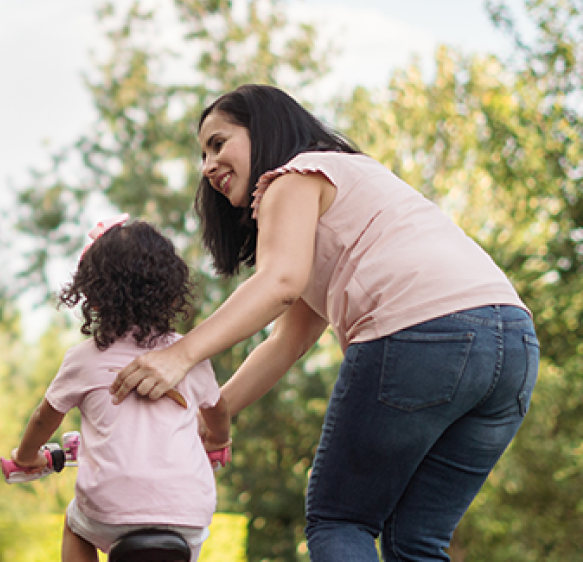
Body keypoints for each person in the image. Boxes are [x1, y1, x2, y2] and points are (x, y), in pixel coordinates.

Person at [109, 84, 539, 560]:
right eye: (203, 154)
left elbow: (279, 283)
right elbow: (285, 342)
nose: (207, 165)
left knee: (341, 521)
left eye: (218, 143)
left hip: (421, 335)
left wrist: (176, 356)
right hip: (512, 348)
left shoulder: (293, 177)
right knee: (416, 540)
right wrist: (215, 412)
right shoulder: (352, 182)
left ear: (265, 130)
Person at [6, 215, 230, 562]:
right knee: (188, 538)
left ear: (92, 298)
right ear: (171, 295)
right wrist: (218, 440)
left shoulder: (83, 359)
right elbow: (218, 410)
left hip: (108, 513)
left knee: (74, 522)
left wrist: (25, 457)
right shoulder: (189, 354)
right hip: (186, 514)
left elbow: (42, 419)